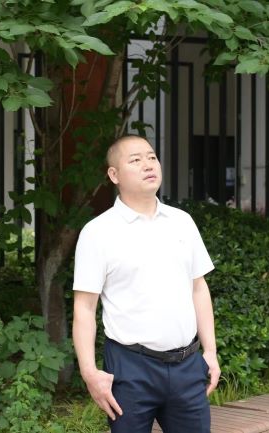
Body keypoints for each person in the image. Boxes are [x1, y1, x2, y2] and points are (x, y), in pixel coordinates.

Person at [72, 135, 220, 433]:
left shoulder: (182, 222)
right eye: (135, 160)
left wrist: (210, 352)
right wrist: (90, 373)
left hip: (187, 366)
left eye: (152, 157)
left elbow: (198, 288)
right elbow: (84, 308)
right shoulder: (98, 232)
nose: (148, 165)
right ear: (114, 175)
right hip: (130, 369)